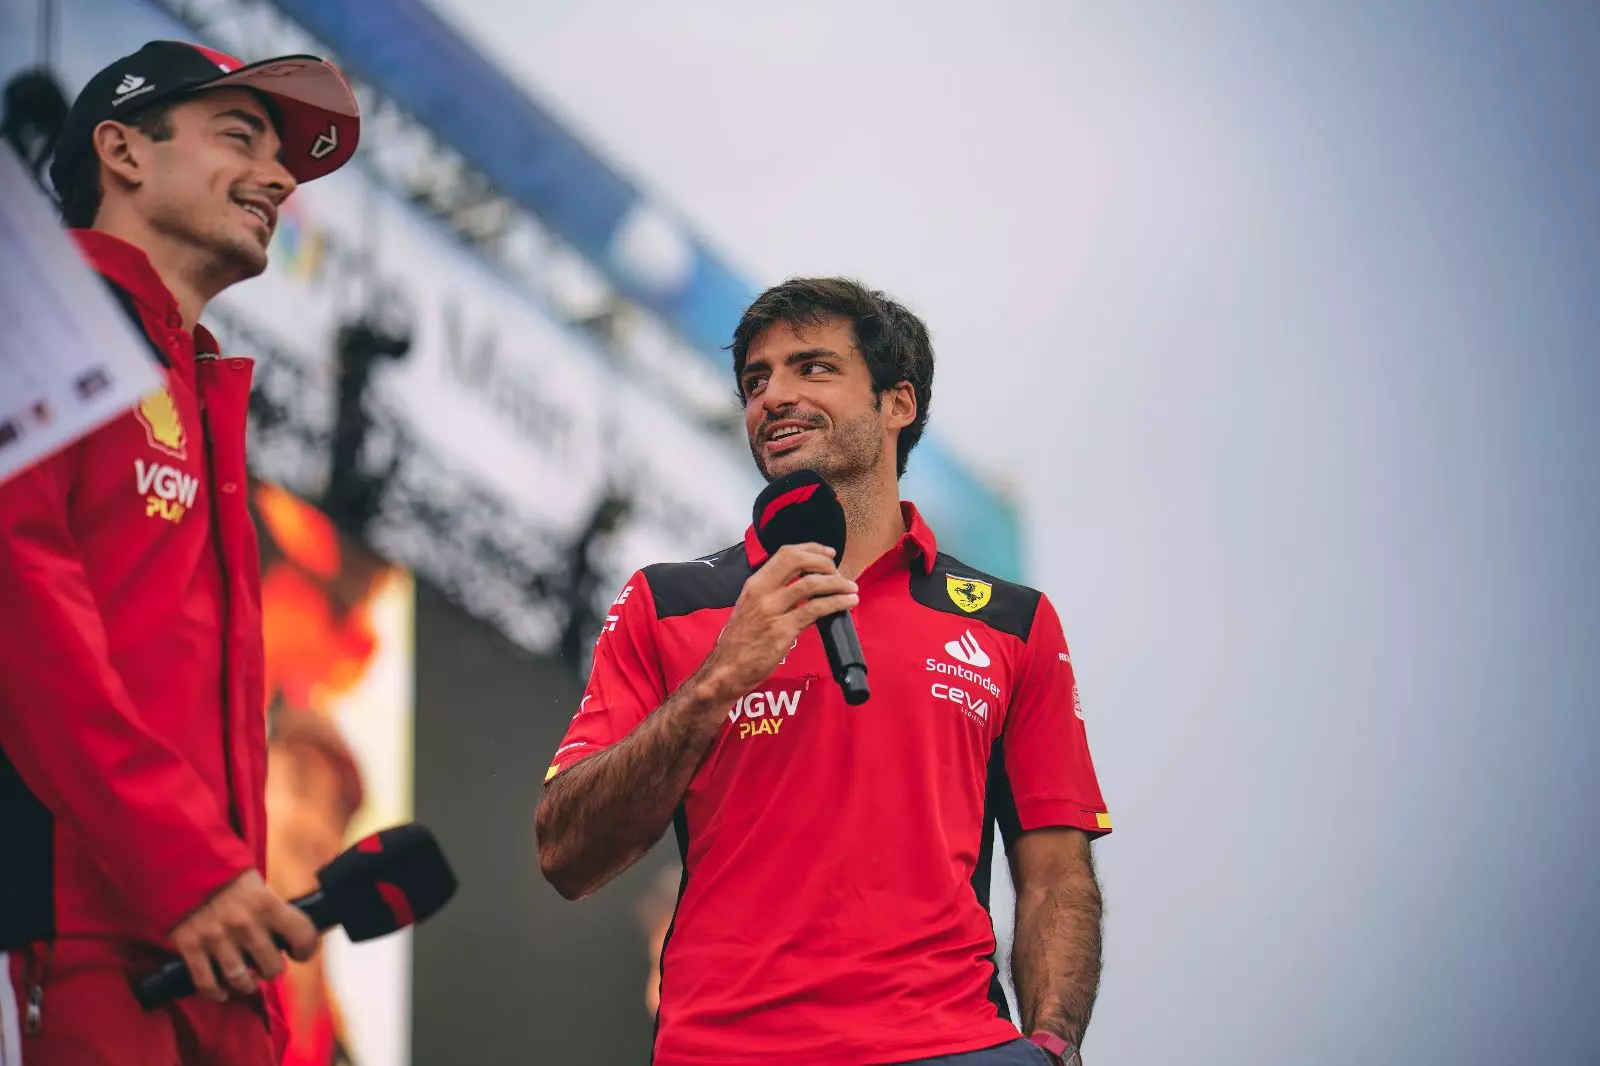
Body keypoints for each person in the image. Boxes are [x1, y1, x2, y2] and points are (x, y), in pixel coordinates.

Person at [536, 278, 1112, 1066]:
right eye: (755, 380)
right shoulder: (668, 603)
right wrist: (717, 681)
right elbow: (565, 853)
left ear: (897, 403)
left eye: (811, 368)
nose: (774, 396)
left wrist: (1052, 1044)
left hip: (953, 1047)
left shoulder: (1012, 622)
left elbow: (1054, 873)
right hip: (728, 1052)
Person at [0, 40, 360, 1066]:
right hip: (68, 935)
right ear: (122, 149)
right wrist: (186, 869)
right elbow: (20, 608)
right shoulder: (30, 316)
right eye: (240, 135)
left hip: (204, 951)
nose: (281, 176)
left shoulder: (195, 382)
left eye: (284, 155)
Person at [263, 712, 366, 1066]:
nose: (318, 830)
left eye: (337, 812)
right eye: (300, 783)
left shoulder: (334, 1033)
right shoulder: (196, 978)